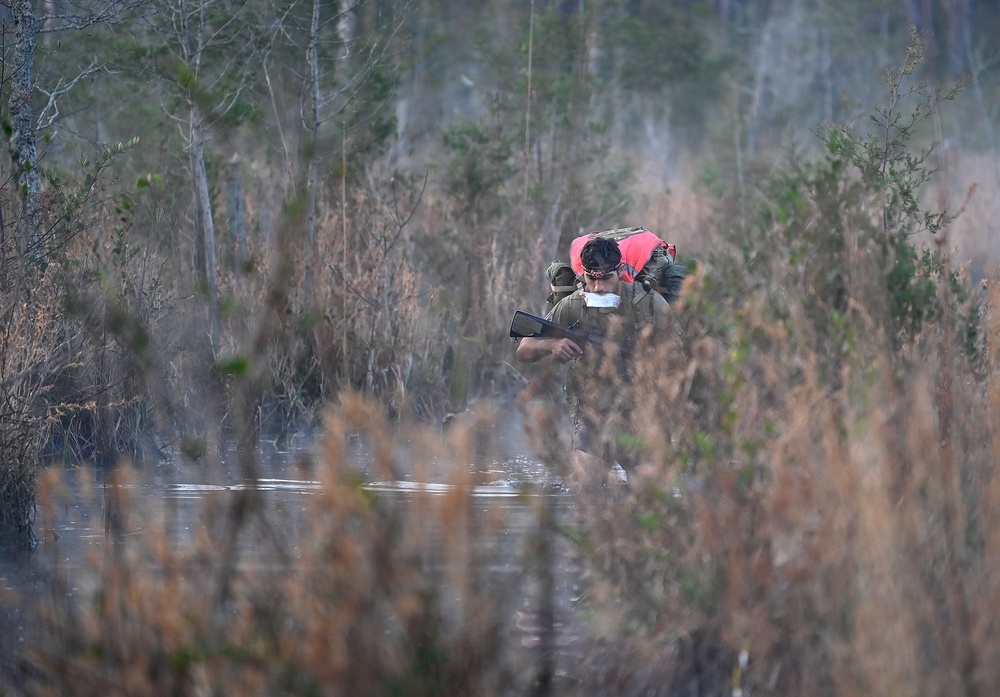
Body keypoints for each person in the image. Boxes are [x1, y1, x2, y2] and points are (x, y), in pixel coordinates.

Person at [515, 236, 670, 487]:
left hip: (641, 410)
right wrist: (552, 344)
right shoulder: (573, 305)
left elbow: (681, 355)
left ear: (619, 271)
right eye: (591, 278)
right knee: (586, 486)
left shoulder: (648, 303)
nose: (598, 287)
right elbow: (523, 349)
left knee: (647, 497)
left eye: (605, 278)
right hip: (591, 409)